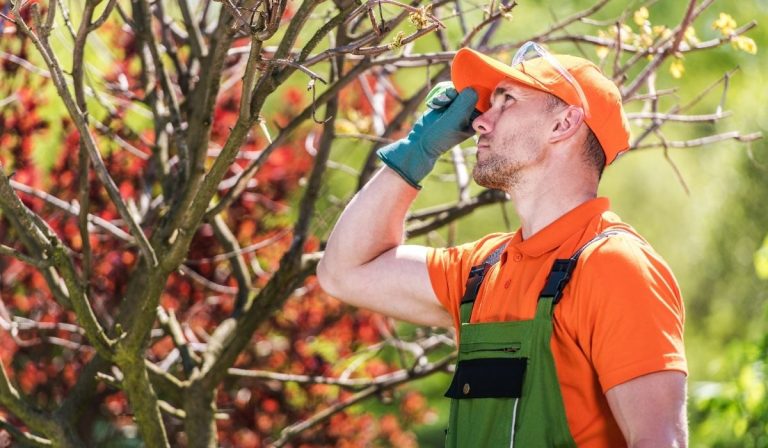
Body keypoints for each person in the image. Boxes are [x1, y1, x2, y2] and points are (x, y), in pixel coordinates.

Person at [317, 42, 687, 447]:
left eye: (506, 101)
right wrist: (415, 153)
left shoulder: (615, 266)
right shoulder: (483, 270)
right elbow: (345, 271)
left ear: (563, 124)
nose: (479, 122)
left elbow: (659, 441)